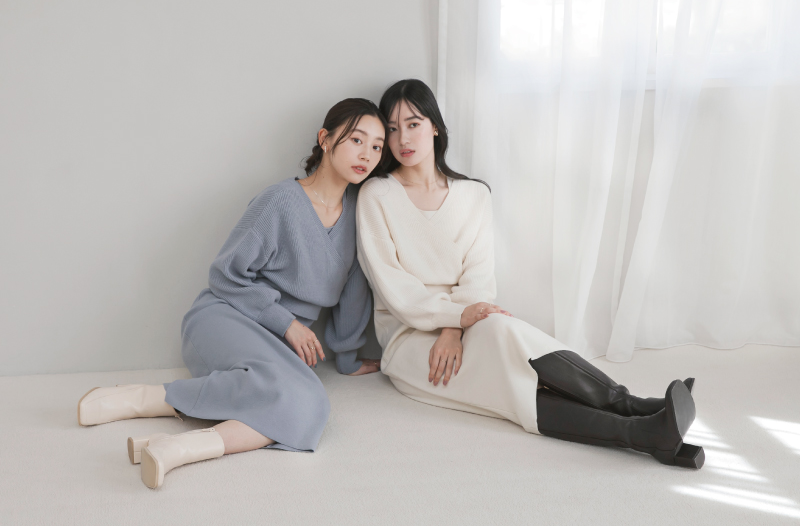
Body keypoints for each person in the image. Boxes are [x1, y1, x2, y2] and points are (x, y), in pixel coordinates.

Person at [355, 79, 704, 469]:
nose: (402, 138)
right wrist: (454, 319)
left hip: (467, 320)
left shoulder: (473, 195)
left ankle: (634, 408)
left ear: (434, 126)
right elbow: (395, 288)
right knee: (510, 390)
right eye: (392, 128)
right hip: (410, 337)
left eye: (413, 124)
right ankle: (644, 429)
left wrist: (455, 326)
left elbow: (478, 276)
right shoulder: (377, 195)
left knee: (504, 330)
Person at [77, 98, 386, 489]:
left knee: (308, 406)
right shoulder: (280, 201)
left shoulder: (360, 215)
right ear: (325, 139)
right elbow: (225, 276)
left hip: (275, 350)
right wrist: (287, 323)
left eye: (377, 146)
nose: (367, 154)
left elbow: (353, 295)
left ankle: (175, 448)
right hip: (224, 319)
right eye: (357, 140)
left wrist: (347, 358)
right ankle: (143, 398)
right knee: (303, 395)